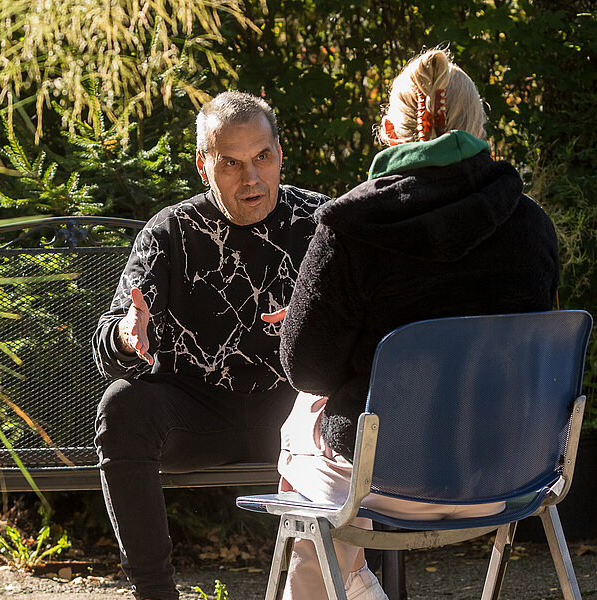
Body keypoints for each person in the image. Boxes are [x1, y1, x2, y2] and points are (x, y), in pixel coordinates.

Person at [274, 48, 561, 600]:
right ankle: (350, 579)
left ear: (388, 131)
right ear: (480, 129)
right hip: (510, 474)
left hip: (387, 481)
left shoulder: (350, 229)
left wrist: (335, 317)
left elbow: (306, 367)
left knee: (296, 422)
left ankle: (347, 579)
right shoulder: (531, 225)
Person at [91, 90, 331, 600]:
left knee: (359, 403)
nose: (251, 178)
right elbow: (108, 337)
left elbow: (369, 329)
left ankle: (349, 584)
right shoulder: (171, 232)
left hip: (295, 419)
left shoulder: (321, 224)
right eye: (231, 163)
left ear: (280, 154)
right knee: (122, 406)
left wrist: (324, 321)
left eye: (262, 157)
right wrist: (127, 336)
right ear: (204, 167)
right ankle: (155, 594)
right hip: (196, 415)